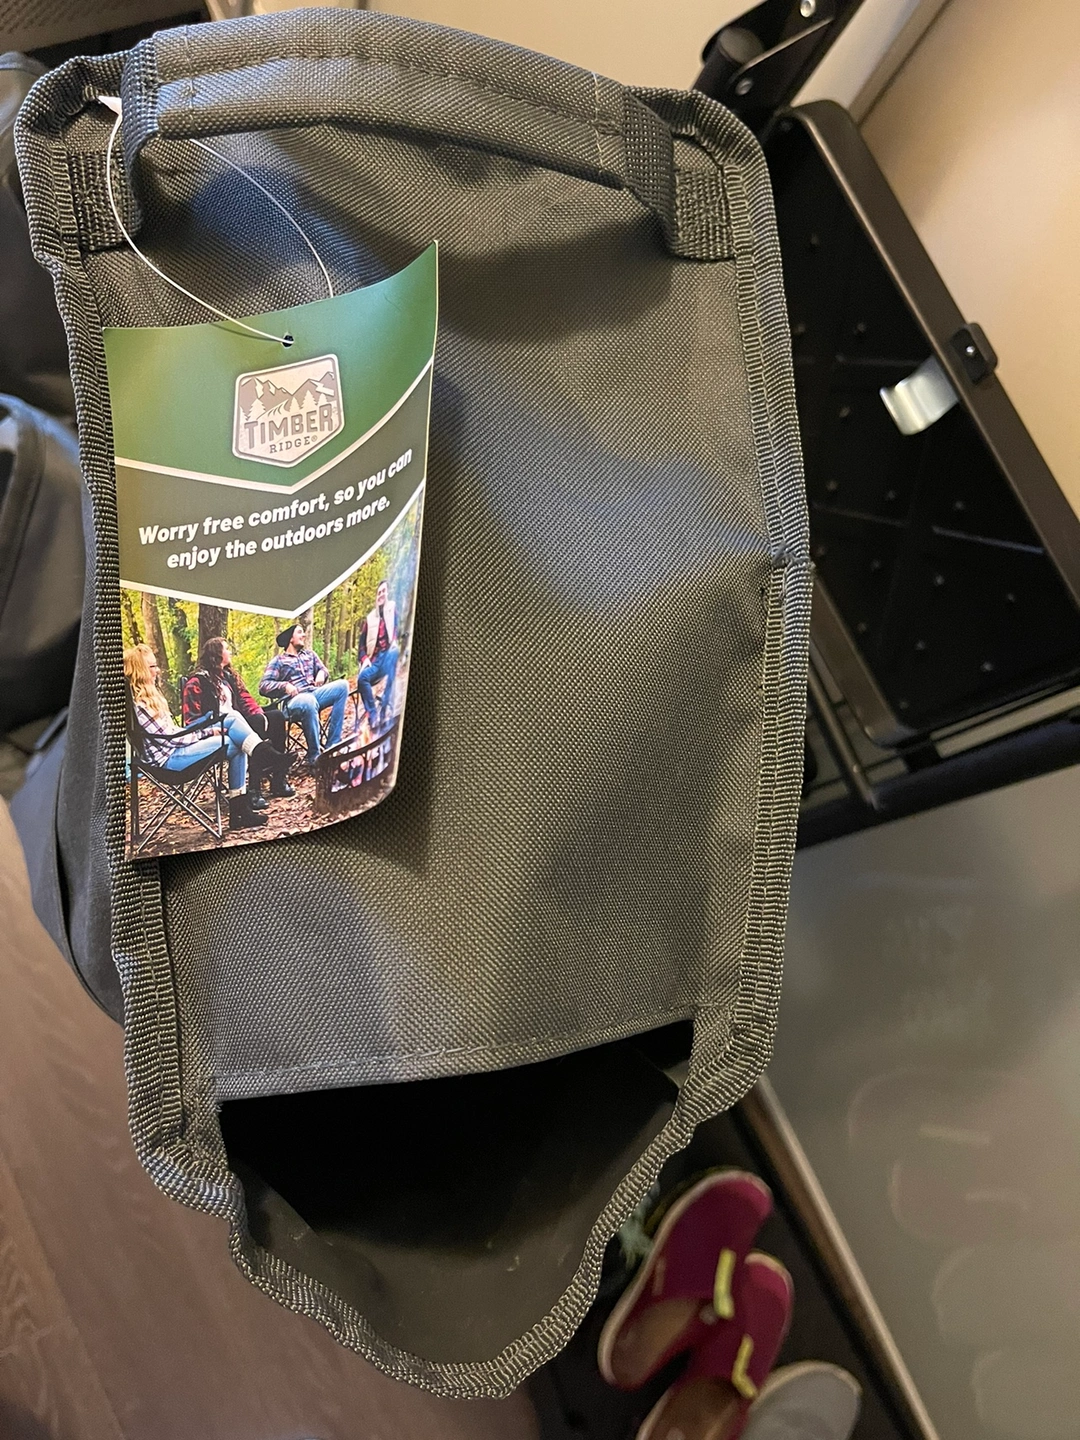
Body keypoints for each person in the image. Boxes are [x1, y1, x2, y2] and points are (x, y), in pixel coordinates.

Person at [124, 643, 282, 831]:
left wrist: (206, 732)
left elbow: (172, 733)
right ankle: (242, 805)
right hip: (170, 762)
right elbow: (171, 739)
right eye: (152, 666)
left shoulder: (149, 699)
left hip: (175, 751)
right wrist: (205, 733)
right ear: (140, 671)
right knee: (234, 739)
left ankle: (243, 804)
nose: (157, 670)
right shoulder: (141, 704)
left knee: (233, 723)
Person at [182, 637, 294, 806]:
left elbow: (244, 699)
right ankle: (254, 789)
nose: (230, 652)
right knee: (255, 724)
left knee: (276, 717)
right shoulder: (197, 682)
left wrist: (259, 714)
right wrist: (213, 730)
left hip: (238, 723)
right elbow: (191, 721)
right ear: (217, 654)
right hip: (216, 728)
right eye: (226, 649)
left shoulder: (228, 677)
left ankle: (278, 779)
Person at [258, 623, 349, 765]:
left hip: (315, 693)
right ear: (291, 638)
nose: (304, 635)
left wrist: (321, 673)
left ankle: (333, 745)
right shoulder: (279, 661)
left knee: (342, 686)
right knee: (308, 700)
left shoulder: (310, 655)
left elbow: (324, 670)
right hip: (294, 701)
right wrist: (285, 685)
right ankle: (314, 756)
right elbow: (263, 686)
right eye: (300, 632)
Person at [357, 579, 399, 734]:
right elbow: (361, 646)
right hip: (375, 661)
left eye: (383, 591)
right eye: (379, 592)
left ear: (387, 593)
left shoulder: (392, 608)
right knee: (362, 678)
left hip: (388, 655)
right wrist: (365, 659)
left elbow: (396, 630)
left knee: (394, 653)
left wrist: (394, 641)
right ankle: (373, 716)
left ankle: (385, 704)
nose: (381, 595)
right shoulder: (369, 619)